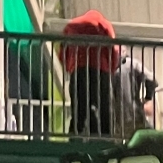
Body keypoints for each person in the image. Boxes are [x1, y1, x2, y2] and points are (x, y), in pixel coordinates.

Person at [60, 9, 155, 138]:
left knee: (79, 111)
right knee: (104, 112)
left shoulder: (71, 26)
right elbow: (113, 51)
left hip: (78, 71)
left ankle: (74, 139)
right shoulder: (104, 25)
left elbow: (63, 52)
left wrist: (70, 67)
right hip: (100, 72)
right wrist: (110, 69)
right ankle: (105, 139)